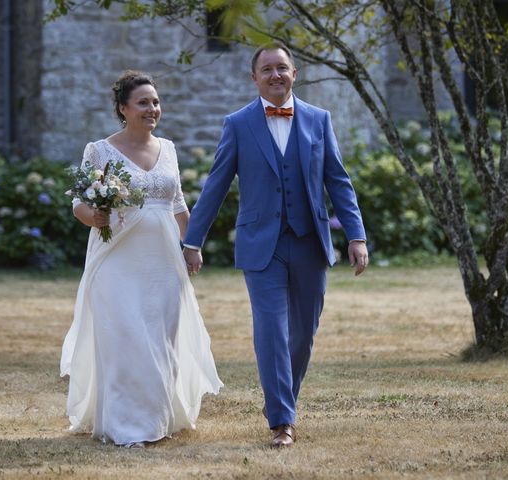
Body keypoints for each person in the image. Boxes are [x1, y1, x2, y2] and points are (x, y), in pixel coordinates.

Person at [183, 42, 368, 448]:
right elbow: (215, 186)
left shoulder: (319, 120)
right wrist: (192, 240)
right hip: (260, 246)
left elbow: (338, 180)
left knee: (303, 333)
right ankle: (282, 421)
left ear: (294, 73)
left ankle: (280, 400)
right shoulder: (238, 123)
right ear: (254, 77)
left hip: (309, 243)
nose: (275, 75)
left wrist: (356, 235)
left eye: (282, 68)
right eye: (266, 69)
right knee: (271, 330)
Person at [60, 70, 222, 448]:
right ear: (123, 108)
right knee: (125, 336)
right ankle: (127, 426)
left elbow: (178, 202)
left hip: (163, 262)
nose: (153, 109)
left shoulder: (168, 148)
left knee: (161, 337)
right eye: (144, 102)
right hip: (116, 258)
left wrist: (192, 244)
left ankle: (159, 416)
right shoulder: (98, 150)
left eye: (156, 102)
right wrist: (93, 216)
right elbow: (79, 203)